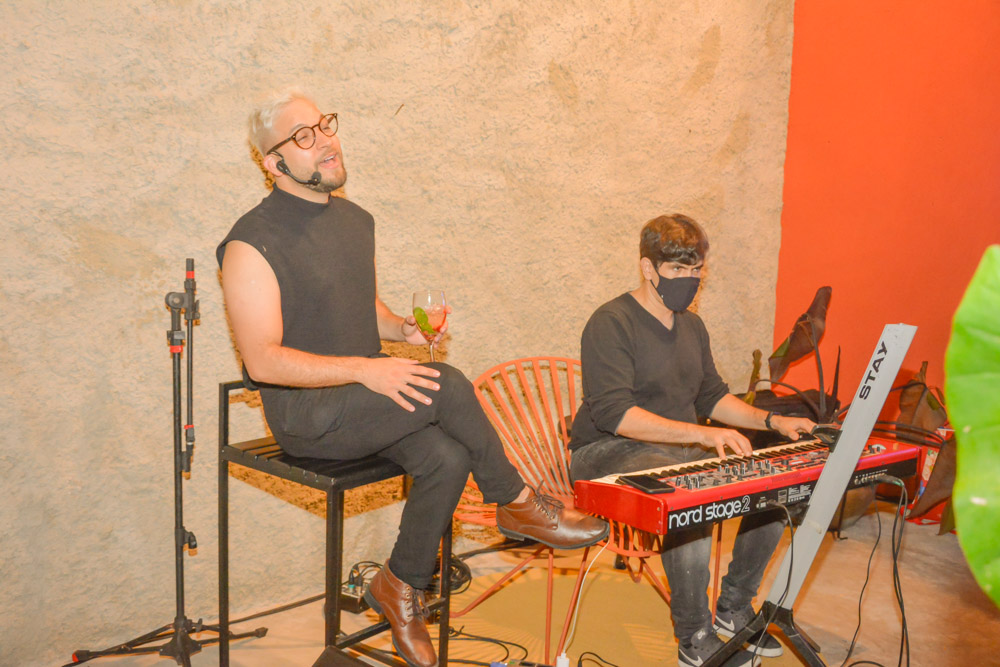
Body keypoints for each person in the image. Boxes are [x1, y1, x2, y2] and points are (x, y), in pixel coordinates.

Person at [217, 89, 608, 667]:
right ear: (274, 163)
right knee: (445, 384)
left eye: (325, 125)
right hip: (307, 415)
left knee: (448, 456)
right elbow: (262, 362)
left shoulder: (354, 221)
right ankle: (517, 501)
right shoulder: (250, 243)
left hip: (362, 402)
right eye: (303, 136)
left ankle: (399, 587)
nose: (325, 140)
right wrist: (367, 370)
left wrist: (401, 327)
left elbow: (360, 308)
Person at [568, 214, 816, 667]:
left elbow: (712, 396)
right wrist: (703, 434)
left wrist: (772, 422)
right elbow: (616, 416)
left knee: (772, 484)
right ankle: (694, 634)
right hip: (602, 453)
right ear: (648, 268)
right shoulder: (611, 322)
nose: (689, 279)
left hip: (673, 452)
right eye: (677, 269)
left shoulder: (692, 327)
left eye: (696, 269)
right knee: (690, 495)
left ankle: (734, 607)